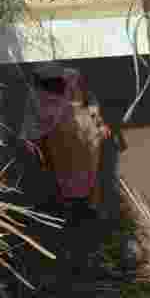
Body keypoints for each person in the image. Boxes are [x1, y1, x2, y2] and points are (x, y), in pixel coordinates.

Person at [21, 64, 112, 223]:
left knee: (90, 169)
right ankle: (66, 208)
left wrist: (99, 123)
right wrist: (30, 137)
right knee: (59, 171)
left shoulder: (72, 78)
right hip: (55, 136)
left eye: (58, 82)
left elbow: (89, 100)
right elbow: (30, 118)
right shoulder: (36, 94)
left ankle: (93, 206)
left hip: (82, 129)